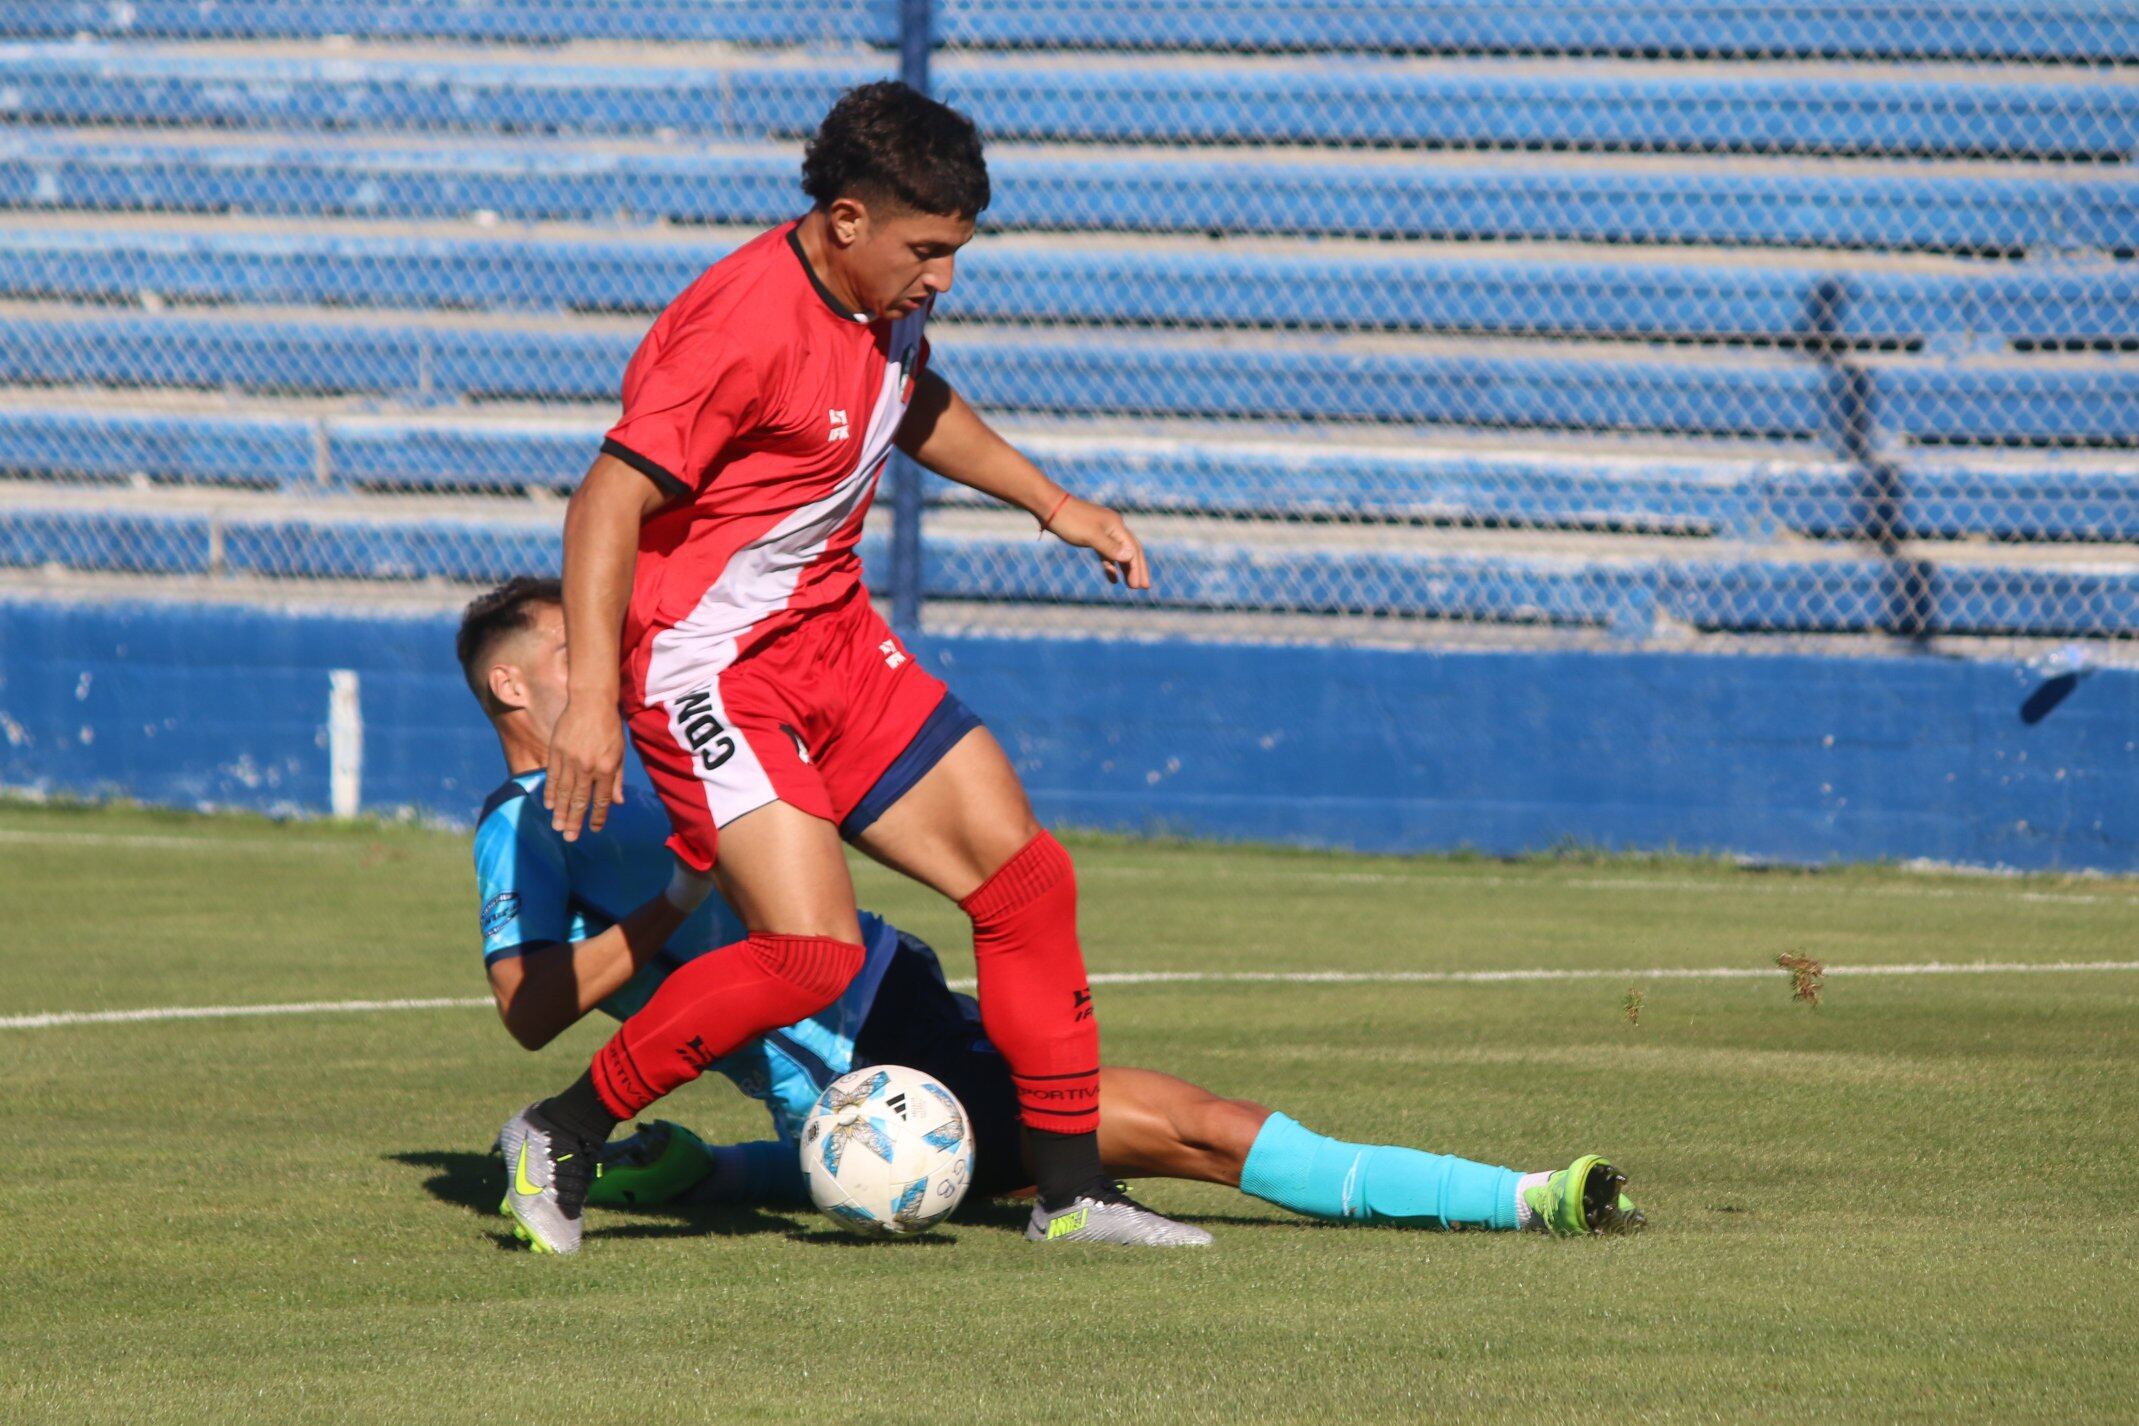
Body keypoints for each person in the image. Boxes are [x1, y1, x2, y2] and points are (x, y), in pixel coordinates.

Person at [499, 79, 1191, 1254]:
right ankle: (561, 1130)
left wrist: (1055, 502)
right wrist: (596, 701)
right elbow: (609, 498)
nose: (944, 279)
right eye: (928, 251)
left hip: (833, 641)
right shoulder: (740, 324)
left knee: (1028, 886)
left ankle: (1074, 1201)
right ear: (847, 220)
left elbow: (905, 397)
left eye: (958, 251)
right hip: (712, 671)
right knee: (809, 953)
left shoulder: (879, 305)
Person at [461, 579, 1647, 1244]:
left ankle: (702, 1168)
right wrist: (679, 890)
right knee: (1187, 1128)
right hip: (845, 1076)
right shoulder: (522, 821)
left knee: (1172, 1117)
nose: (607, 658)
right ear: (512, 684)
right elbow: (527, 1009)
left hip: (899, 1007)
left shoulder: (680, 725)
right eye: (575, 648)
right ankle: (1520, 1197)